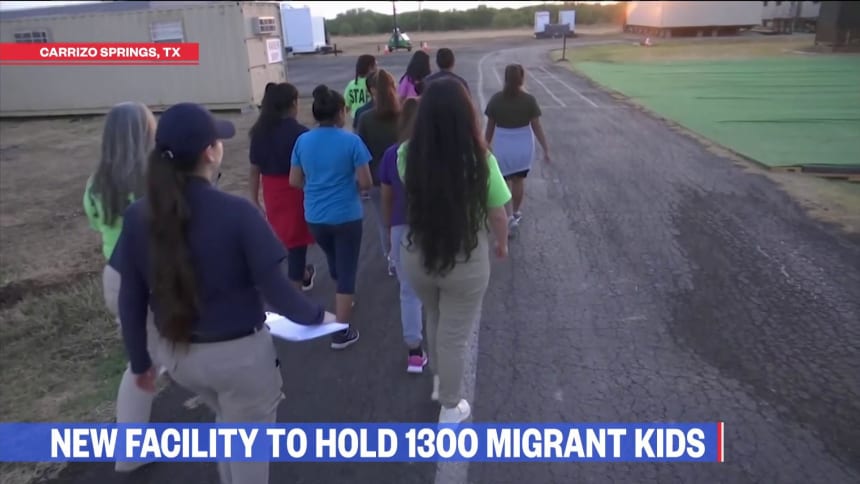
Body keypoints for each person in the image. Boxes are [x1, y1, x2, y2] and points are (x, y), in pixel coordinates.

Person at [110, 102, 335, 484]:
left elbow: (130, 298)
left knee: (226, 418)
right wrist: (319, 317)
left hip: (180, 356)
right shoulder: (238, 213)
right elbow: (277, 291)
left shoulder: (139, 215)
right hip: (239, 360)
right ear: (210, 152)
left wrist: (140, 361)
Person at [398, 79, 511, 423]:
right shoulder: (481, 160)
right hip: (465, 257)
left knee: (435, 316)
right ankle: (449, 405)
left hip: (419, 252)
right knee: (455, 335)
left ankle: (440, 379)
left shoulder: (406, 154)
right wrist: (502, 243)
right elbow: (497, 212)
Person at [83, 102, 163, 473]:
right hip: (151, 278)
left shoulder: (95, 184)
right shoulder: (153, 179)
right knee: (144, 363)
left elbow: (99, 226)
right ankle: (130, 451)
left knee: (147, 354)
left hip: (115, 278)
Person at [290, 85, 373, 349]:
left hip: (315, 215)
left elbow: (294, 180)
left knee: (335, 259)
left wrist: (317, 186)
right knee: (347, 271)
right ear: (339, 113)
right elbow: (366, 182)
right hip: (346, 214)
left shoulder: (302, 141)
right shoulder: (351, 142)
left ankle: (344, 298)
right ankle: (340, 332)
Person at [249, 82, 316, 291]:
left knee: (285, 237)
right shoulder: (300, 133)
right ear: (292, 104)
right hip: (295, 190)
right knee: (296, 243)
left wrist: (254, 198)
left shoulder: (259, 132)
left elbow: (254, 169)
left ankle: (303, 274)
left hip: (271, 192)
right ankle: (295, 291)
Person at [379, 98, 426, 373]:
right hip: (434, 227)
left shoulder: (392, 155)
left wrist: (389, 228)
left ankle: (414, 352)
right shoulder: (438, 153)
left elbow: (387, 197)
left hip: (401, 227)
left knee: (408, 291)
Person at [483, 64, 550, 238]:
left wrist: (483, 147)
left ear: (505, 78)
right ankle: (515, 213)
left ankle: (506, 216)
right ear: (521, 79)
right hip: (523, 144)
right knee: (518, 180)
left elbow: (489, 129)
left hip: (503, 144)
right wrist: (546, 148)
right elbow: (537, 127)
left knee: (503, 181)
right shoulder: (529, 100)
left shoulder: (496, 100)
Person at [357, 69, 401, 276]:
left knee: (385, 222)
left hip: (376, 178)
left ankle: (391, 259)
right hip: (403, 176)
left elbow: (360, 151)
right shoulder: (403, 114)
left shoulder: (365, 118)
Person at [344, 54, 377, 120]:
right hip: (371, 118)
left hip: (356, 118)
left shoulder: (351, 84)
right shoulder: (373, 83)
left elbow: (346, 106)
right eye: (376, 65)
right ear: (370, 68)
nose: (377, 68)